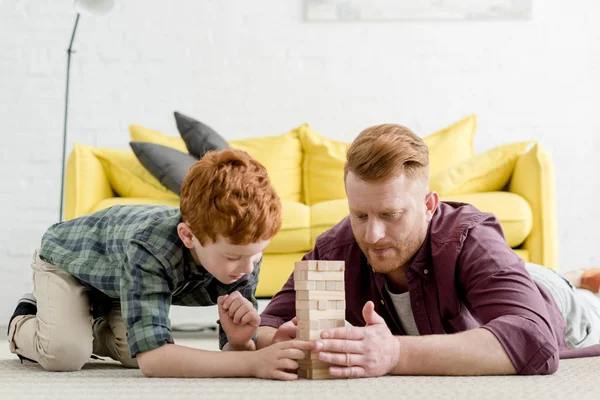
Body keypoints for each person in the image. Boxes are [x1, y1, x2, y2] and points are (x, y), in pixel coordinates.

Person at [256, 124, 600, 378]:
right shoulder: (336, 248)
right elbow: (266, 323)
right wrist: (277, 340)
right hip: (506, 276)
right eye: (360, 215)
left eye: (390, 215)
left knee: (586, 302)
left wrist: (394, 353)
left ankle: (582, 279)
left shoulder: (469, 236)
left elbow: (534, 341)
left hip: (557, 302)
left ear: (429, 205)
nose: (373, 235)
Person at [7, 148, 313, 380]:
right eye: (234, 257)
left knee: (131, 353)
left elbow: (231, 351)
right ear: (189, 236)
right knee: (65, 354)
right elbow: (153, 361)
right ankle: (24, 319)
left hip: (118, 284)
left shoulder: (243, 254)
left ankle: (86, 323)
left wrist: (242, 340)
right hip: (70, 261)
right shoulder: (152, 248)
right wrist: (252, 363)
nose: (248, 269)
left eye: (257, 256)